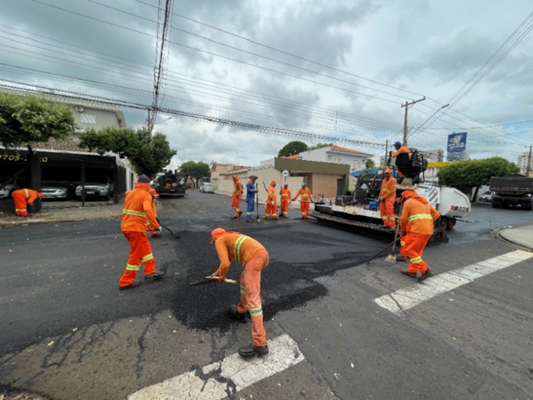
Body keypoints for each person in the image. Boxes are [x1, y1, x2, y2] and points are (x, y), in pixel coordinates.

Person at [209, 228, 270, 358]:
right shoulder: (230, 237)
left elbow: (225, 263)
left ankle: (260, 344)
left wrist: (222, 278)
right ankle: (241, 311)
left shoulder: (219, 240)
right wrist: (217, 273)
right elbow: (226, 262)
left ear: (214, 239)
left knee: (254, 300)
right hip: (262, 255)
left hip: (253, 259)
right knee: (244, 282)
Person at [119, 175, 165, 290]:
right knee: (137, 254)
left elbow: (127, 192)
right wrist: (156, 226)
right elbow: (148, 210)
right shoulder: (146, 195)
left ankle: (150, 270)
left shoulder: (131, 194)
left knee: (145, 248)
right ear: (148, 185)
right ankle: (126, 281)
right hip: (136, 228)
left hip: (126, 227)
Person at [396, 178, 440, 282]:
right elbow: (436, 214)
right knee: (417, 251)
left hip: (418, 231)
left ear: (404, 195)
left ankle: (425, 270)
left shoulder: (408, 202)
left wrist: (404, 231)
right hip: (428, 230)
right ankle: (412, 271)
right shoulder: (424, 201)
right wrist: (426, 222)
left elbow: (403, 219)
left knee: (408, 249)